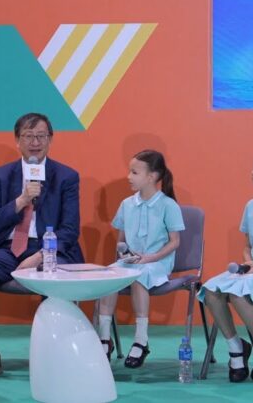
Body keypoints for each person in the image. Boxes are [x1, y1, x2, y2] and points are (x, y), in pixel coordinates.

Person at [0, 112, 84, 381]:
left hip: (49, 249)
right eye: (29, 136)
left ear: (50, 140)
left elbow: (70, 230)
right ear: (17, 141)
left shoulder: (66, 177)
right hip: (8, 248)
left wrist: (40, 255)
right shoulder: (1, 176)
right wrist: (21, 201)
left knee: (55, 274)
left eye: (41, 136)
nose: (35, 142)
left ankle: (54, 352)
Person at [199, 143, 253, 383]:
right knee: (210, 290)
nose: (252, 172)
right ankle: (237, 348)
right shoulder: (251, 206)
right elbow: (248, 245)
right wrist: (248, 263)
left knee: (238, 293)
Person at [95, 150, 184, 368]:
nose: (129, 177)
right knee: (108, 276)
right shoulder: (126, 204)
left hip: (158, 262)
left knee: (138, 276)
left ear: (151, 177)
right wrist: (124, 253)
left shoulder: (168, 205)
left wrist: (150, 257)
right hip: (131, 262)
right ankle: (104, 339)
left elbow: (174, 242)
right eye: (130, 171)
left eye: (134, 172)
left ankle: (141, 340)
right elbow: (121, 240)